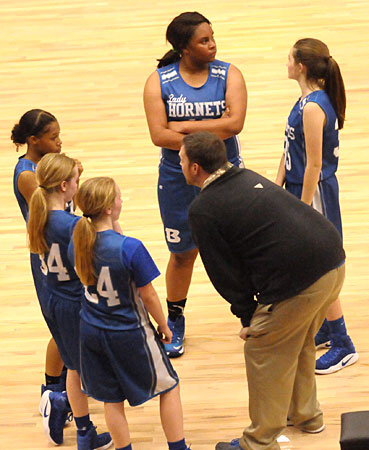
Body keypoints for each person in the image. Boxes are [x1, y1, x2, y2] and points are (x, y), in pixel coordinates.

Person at [181, 131, 345, 450]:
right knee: (296, 342)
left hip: (302, 278)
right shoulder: (245, 175)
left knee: (261, 349)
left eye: (183, 160)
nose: (180, 164)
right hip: (333, 264)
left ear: (196, 168)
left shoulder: (203, 208)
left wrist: (248, 318)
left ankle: (258, 441)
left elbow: (224, 273)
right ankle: (307, 415)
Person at [143, 11, 247, 358]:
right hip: (177, 177)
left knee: (240, 247)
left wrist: (185, 126)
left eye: (213, 36)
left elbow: (234, 124)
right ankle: (175, 317)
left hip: (224, 173)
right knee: (183, 254)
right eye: (204, 40)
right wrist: (209, 128)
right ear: (184, 48)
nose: (213, 44)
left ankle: (252, 312)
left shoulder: (229, 73)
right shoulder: (159, 81)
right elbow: (159, 134)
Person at [69, 176, 190, 450]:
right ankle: (179, 447)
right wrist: (165, 326)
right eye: (119, 198)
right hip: (128, 331)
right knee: (169, 386)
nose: (122, 201)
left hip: (91, 330)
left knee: (111, 400)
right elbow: (148, 295)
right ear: (109, 209)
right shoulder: (131, 247)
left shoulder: (78, 241)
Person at [275, 38, 358, 374]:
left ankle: (343, 344)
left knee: (320, 267)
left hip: (316, 192)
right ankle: (326, 326)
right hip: (300, 188)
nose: (286, 62)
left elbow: (312, 164)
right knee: (311, 265)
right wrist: (276, 185)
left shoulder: (312, 107)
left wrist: (302, 209)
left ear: (302, 66)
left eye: (289, 58)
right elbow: (289, 150)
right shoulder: (305, 99)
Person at [28, 153, 112, 450]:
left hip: (53, 298)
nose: (79, 185)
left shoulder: (38, 215)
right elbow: (88, 268)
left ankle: (82, 427)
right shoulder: (73, 226)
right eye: (76, 181)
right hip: (75, 302)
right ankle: (66, 408)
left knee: (77, 367)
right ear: (64, 186)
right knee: (84, 370)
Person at [11, 109, 68, 400]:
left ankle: (68, 384)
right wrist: (69, 180)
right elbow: (50, 210)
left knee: (73, 321)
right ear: (33, 140)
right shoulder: (26, 175)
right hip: (48, 252)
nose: (60, 142)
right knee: (61, 326)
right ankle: (52, 389)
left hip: (66, 246)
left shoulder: (48, 163)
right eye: (53, 137)